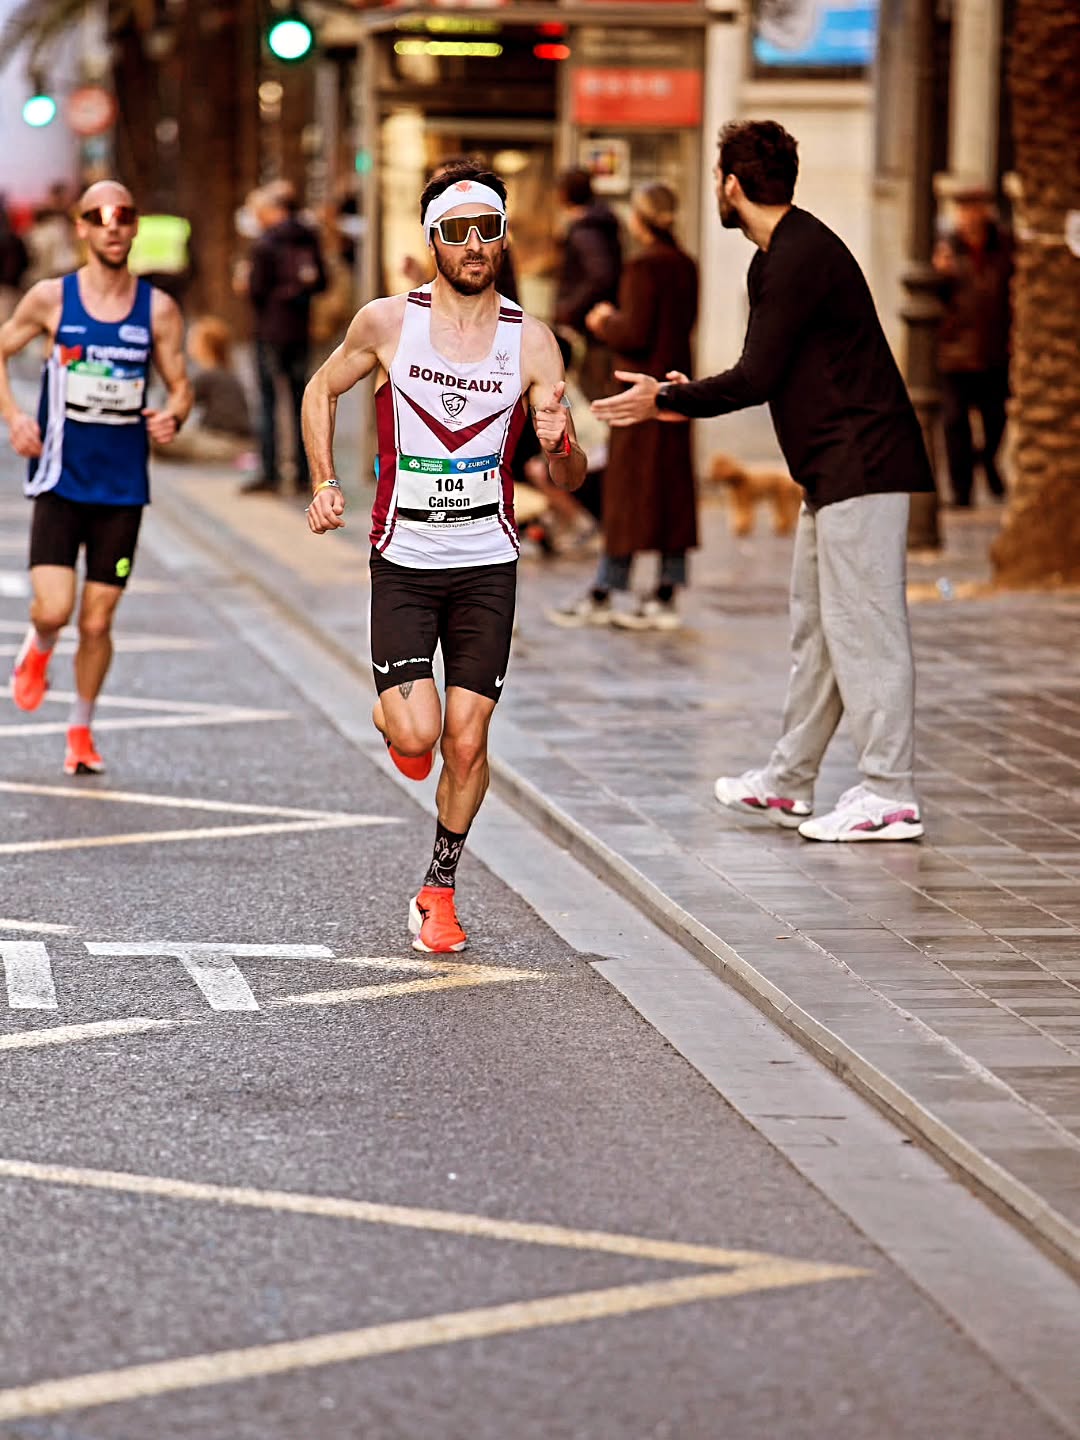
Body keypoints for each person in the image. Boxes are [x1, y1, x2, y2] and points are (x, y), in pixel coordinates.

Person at [594, 121, 934, 843]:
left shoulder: (797, 257)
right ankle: (788, 783)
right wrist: (682, 391)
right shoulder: (780, 255)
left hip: (862, 464)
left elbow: (755, 377)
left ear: (732, 185)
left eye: (720, 178)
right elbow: (766, 368)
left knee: (865, 632)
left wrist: (667, 398)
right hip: (831, 472)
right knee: (819, 632)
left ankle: (890, 793)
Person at [302, 160, 586, 952]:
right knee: (421, 736)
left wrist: (563, 446)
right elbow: (320, 390)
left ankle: (439, 889)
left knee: (467, 741)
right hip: (404, 558)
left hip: (487, 561)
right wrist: (324, 480)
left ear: (501, 238)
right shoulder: (388, 323)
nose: (471, 245)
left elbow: (569, 469)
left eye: (485, 230)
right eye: (455, 231)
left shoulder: (532, 342)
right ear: (431, 238)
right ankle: (395, 718)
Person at [0, 180, 191, 775]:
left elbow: (180, 383)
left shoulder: (156, 309)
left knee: (99, 619)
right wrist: (14, 418)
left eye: (123, 215)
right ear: (80, 227)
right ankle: (38, 647)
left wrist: (173, 415)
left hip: (123, 488)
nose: (112, 224)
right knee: (53, 611)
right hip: (60, 478)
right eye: (98, 215)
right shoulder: (52, 299)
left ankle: (80, 729)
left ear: (134, 227)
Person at [550, 182, 698, 630]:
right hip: (675, 387)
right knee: (672, 491)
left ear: (640, 218)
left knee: (626, 493)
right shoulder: (686, 265)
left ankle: (605, 589)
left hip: (638, 393)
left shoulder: (642, 267)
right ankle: (666, 591)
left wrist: (603, 321)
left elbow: (633, 332)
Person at [932, 180, 1012, 507]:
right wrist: (940, 274)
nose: (969, 216)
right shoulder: (946, 248)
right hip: (955, 353)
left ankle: (986, 461)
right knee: (954, 423)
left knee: (996, 419)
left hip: (995, 351)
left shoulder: (1004, 246)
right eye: (963, 209)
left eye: (975, 208)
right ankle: (961, 491)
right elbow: (932, 299)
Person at [245, 180, 326, 496]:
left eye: (260, 211)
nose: (258, 218)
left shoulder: (265, 244)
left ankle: (271, 472)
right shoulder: (308, 239)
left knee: (267, 401)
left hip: (269, 330)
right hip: (300, 329)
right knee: (300, 401)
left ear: (273, 210)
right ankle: (305, 475)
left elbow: (256, 290)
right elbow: (323, 282)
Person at [554, 169, 622, 404]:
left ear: (564, 195)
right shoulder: (596, 225)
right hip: (593, 327)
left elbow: (600, 274)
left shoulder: (586, 230)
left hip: (590, 330)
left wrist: (569, 309)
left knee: (591, 397)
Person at [165, 315, 253, 463]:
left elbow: (177, 404)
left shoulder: (209, 375)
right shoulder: (228, 372)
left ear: (204, 345)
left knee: (158, 436)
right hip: (242, 441)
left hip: (223, 442)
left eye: (193, 340)